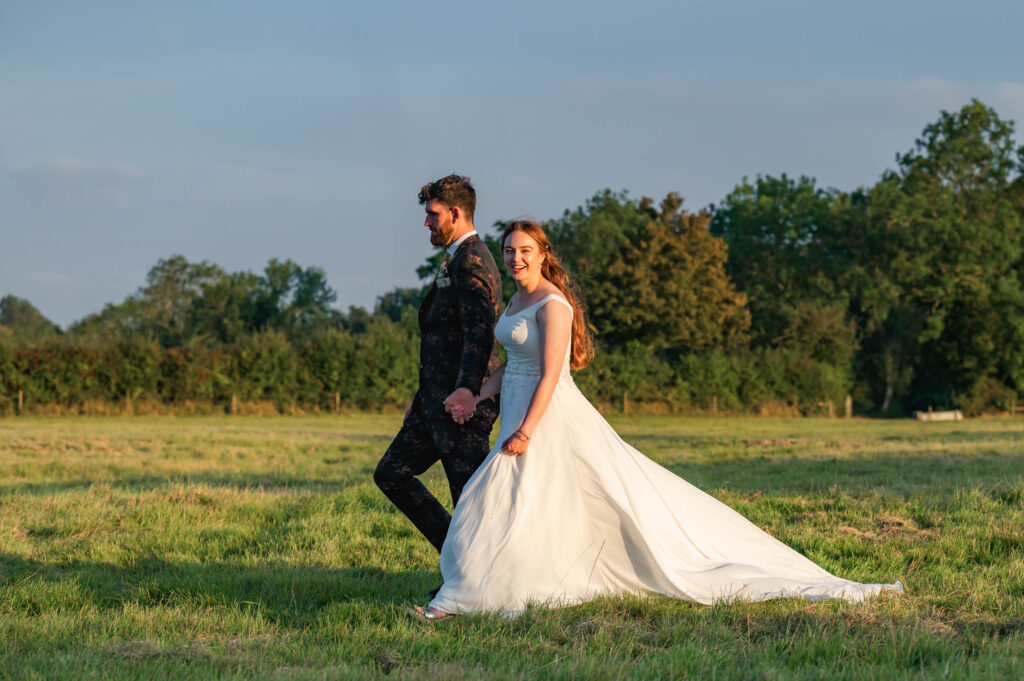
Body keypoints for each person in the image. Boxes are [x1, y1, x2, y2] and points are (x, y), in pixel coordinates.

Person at [409, 220, 903, 619]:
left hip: (547, 418)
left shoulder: (553, 306)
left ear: (543, 255)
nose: (515, 258)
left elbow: (550, 375)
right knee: (522, 503)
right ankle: (488, 587)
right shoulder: (516, 300)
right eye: (510, 250)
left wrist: (527, 431)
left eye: (524, 251)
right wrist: (476, 396)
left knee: (517, 497)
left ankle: (466, 598)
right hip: (519, 410)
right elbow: (514, 367)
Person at [374, 175, 503, 591]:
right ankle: (459, 559)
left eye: (432, 215)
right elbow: (441, 341)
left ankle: (476, 583)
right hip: (432, 404)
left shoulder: (474, 260)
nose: (426, 223)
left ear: (455, 213)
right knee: (391, 473)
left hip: (461, 405)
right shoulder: (455, 258)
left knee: (469, 500)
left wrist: (468, 390)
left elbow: (480, 332)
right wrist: (419, 398)